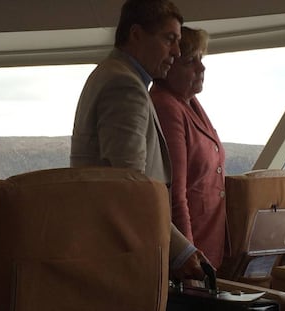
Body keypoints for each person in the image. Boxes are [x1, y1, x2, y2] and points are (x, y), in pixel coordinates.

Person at [70, 0, 206, 280]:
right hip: (120, 250)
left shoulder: (112, 75)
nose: (177, 52)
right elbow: (133, 187)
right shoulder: (124, 86)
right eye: (170, 39)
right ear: (136, 34)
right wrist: (181, 252)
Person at [150, 26, 229, 269]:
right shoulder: (166, 106)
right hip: (193, 251)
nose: (201, 68)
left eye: (201, 59)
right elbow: (175, 193)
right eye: (190, 62)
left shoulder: (190, 101)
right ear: (168, 65)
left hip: (210, 243)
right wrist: (187, 255)